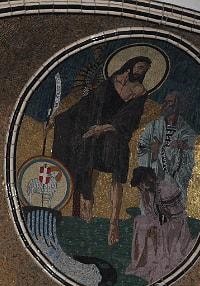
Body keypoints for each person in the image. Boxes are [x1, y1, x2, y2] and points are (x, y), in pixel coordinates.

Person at [52, 56, 152, 246]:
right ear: (130, 66)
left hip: (116, 134)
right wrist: (62, 117)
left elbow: (131, 120)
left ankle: (114, 223)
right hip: (96, 131)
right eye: (140, 67)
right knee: (88, 157)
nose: (142, 71)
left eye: (145, 70)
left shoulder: (140, 91)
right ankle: (88, 199)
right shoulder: (111, 81)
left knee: (117, 176)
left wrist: (104, 128)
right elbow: (88, 104)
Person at [125, 166, 194, 283]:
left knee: (157, 230)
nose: (141, 187)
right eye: (139, 184)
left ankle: (158, 258)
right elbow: (150, 213)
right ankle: (143, 260)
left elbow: (176, 216)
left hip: (175, 226)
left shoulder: (166, 189)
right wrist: (153, 225)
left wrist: (158, 224)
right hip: (159, 222)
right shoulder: (146, 193)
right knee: (139, 222)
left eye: (142, 183)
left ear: (149, 179)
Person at [137, 90, 196, 203]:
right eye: (165, 101)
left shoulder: (186, 131)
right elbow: (142, 147)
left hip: (175, 180)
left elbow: (190, 154)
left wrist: (180, 148)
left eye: (170, 102)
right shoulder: (153, 127)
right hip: (154, 177)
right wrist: (153, 154)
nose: (165, 105)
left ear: (178, 105)